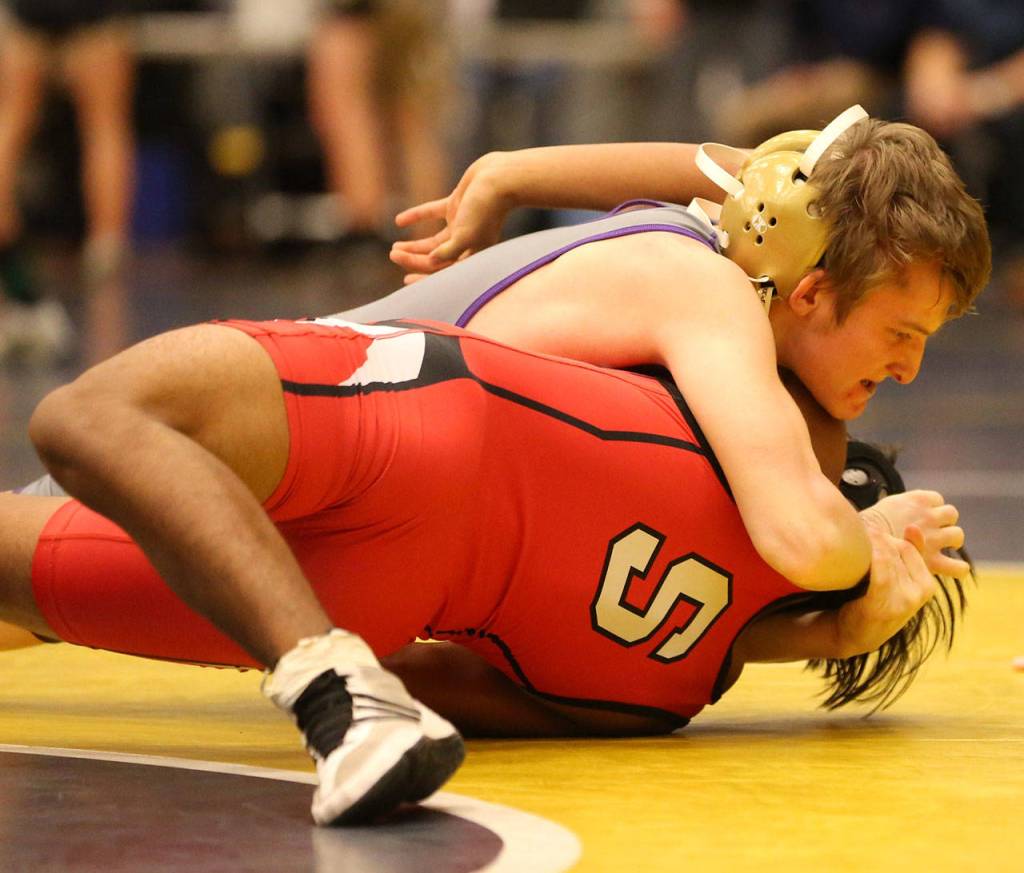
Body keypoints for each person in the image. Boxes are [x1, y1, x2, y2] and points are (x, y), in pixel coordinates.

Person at [0, 311, 966, 822]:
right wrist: (825, 631)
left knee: (82, 421)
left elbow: (702, 231)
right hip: (365, 604)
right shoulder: (657, 698)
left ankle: (322, 673)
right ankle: (330, 685)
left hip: (408, 413)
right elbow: (425, 677)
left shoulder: (780, 418)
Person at [0, 1, 135, 359]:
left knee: (11, 123)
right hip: (89, 14)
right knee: (104, 125)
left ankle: (103, 246)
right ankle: (106, 244)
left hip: (31, 12)